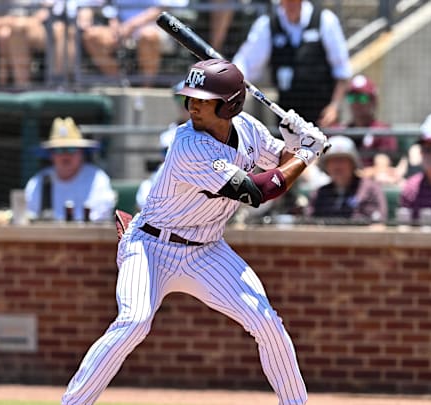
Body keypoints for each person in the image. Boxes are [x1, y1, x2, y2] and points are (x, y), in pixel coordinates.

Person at [61, 58, 328, 405]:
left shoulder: (247, 127)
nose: (193, 106)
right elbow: (257, 191)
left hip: (206, 250)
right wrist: (307, 153)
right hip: (151, 246)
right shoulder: (189, 144)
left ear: (229, 104)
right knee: (134, 321)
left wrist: (293, 143)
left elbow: (280, 163)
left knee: (267, 323)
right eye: (191, 98)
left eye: (204, 99)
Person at [232, 0, 352, 127]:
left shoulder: (325, 20)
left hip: (322, 115)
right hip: (286, 117)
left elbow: (342, 71)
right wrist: (230, 80)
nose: (290, 4)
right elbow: (246, 63)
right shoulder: (268, 24)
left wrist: (334, 107)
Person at [24, 116, 116, 221]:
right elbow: (30, 218)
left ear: (81, 153)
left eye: (71, 149)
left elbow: (100, 218)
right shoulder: (38, 181)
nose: (65, 155)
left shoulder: (97, 179)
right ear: (51, 155)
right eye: (59, 150)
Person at [81, 0, 183, 85]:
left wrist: (131, 26)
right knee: (91, 36)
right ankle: (120, 84)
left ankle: (146, 89)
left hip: (155, 26)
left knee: (148, 35)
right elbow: (110, 7)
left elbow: (162, 8)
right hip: (122, 28)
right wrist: (114, 23)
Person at [307, 135, 386, 224]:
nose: (337, 166)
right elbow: (310, 225)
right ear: (326, 166)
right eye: (333, 161)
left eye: (342, 160)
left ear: (353, 164)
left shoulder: (370, 189)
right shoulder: (319, 193)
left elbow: (378, 225)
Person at [340, 74, 401, 186]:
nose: (356, 103)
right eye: (352, 98)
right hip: (339, 183)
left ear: (373, 101)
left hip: (369, 185)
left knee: (382, 178)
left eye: (362, 98)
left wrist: (355, 175)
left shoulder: (382, 130)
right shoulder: (341, 131)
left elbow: (381, 168)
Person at [135, 81, 187, 210]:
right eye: (180, 98)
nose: (184, 104)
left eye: (190, 99)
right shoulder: (168, 135)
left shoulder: (214, 132)